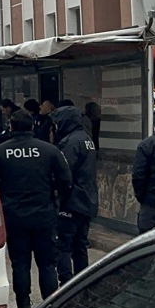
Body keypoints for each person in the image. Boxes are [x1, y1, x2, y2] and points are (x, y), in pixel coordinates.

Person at [0, 110, 71, 308]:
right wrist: (57, 203)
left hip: (14, 217)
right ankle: (48, 306)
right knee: (47, 263)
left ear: (11, 127)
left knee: (20, 264)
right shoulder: (49, 151)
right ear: (32, 126)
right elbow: (66, 181)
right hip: (44, 215)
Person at [51, 105, 98, 284]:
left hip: (72, 201)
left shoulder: (70, 142)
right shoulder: (86, 138)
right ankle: (82, 281)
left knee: (64, 245)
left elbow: (64, 172)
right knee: (80, 245)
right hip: (86, 200)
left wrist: (58, 197)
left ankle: (66, 283)